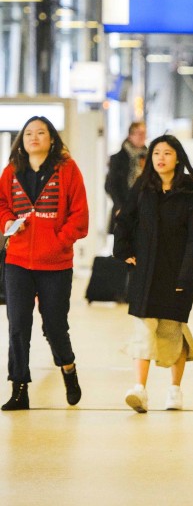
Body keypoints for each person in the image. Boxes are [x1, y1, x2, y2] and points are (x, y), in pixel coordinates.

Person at [113, 135, 193, 413]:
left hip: (177, 272)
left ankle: (175, 390)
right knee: (143, 329)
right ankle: (140, 389)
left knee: (171, 330)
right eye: (156, 152)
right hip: (146, 270)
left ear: (177, 157)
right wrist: (123, 250)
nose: (160, 158)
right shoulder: (144, 189)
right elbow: (124, 220)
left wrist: (186, 277)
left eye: (167, 153)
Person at [0, 116, 89, 410]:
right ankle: (19, 387)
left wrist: (60, 240)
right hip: (18, 262)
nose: (34, 137)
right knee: (18, 326)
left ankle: (68, 368)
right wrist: (9, 222)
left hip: (56, 264)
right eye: (28, 133)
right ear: (21, 140)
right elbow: (1, 204)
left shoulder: (67, 169)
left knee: (54, 325)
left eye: (41, 132)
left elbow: (79, 215)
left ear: (52, 138)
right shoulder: (12, 171)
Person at [105, 121, 147, 230]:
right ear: (130, 136)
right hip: (124, 208)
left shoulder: (150, 157)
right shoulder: (118, 159)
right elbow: (110, 185)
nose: (142, 137)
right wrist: (120, 206)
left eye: (144, 133)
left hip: (144, 210)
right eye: (139, 133)